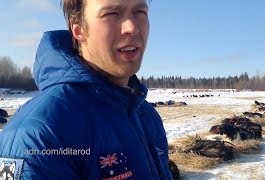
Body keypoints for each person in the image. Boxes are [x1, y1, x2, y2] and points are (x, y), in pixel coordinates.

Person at [0, 0, 173, 179]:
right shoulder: (39, 136)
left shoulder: (146, 115)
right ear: (79, 30)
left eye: (140, 12)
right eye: (111, 14)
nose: (132, 27)